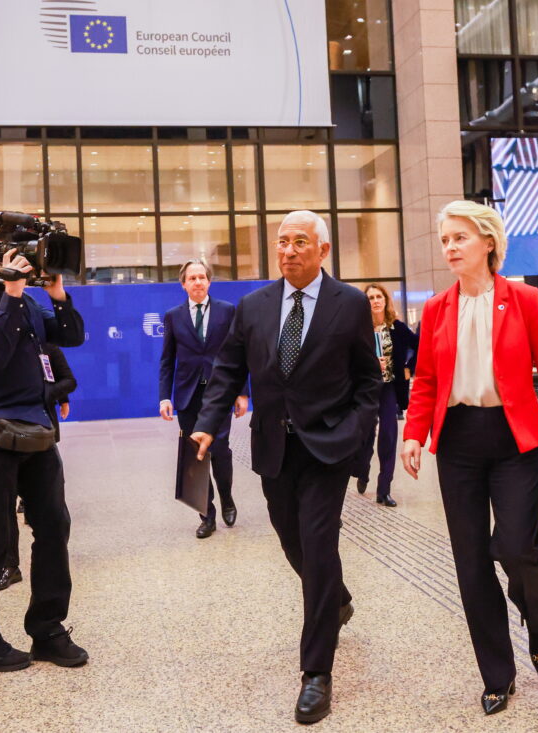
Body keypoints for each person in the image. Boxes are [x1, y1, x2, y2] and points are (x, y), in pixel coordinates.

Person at [191, 210, 382, 725]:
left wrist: (355, 432)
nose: (289, 250)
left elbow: (368, 381)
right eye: (282, 241)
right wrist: (208, 423)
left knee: (318, 546)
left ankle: (316, 672)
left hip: (327, 448)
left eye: (301, 241)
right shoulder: (254, 306)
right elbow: (228, 371)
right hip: (275, 446)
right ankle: (336, 599)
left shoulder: (350, 303)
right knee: (291, 539)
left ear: (323, 250)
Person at [401, 200, 538, 715]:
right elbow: (426, 380)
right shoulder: (437, 308)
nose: (450, 247)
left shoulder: (523, 299)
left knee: (516, 547)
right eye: (445, 240)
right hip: (458, 441)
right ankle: (497, 674)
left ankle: (537, 618)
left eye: (459, 237)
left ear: (488, 242)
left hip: (513, 439)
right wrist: (413, 434)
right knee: (472, 561)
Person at [0, 248, 86, 673]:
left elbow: (70, 336)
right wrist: (10, 293)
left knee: (54, 525)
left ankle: (47, 629)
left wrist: (58, 296)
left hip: (34, 425)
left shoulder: (26, 299)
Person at [158, 259, 248, 539]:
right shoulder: (173, 316)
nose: (197, 282)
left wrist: (242, 392)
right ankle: (206, 515)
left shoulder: (227, 311)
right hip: (187, 396)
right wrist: (164, 397)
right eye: (192, 278)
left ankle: (227, 498)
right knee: (195, 455)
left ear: (209, 281)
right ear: (183, 284)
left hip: (220, 393)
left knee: (220, 449)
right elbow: (167, 360)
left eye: (202, 277)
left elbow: (238, 354)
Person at [0, 343, 75, 591]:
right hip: (2, 434)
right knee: (4, 504)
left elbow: (67, 380)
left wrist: (50, 394)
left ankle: (52, 561)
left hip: (41, 432)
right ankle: (9, 565)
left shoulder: (46, 347)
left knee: (52, 509)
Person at [351, 283, 418, 506]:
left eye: (379, 296)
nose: (376, 301)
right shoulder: (358, 329)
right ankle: (362, 470)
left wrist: (409, 367)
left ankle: (384, 489)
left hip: (389, 388)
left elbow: (420, 345)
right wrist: (371, 363)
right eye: (371, 298)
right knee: (365, 436)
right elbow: (347, 357)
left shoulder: (396, 327)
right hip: (366, 389)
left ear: (386, 300)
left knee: (389, 435)